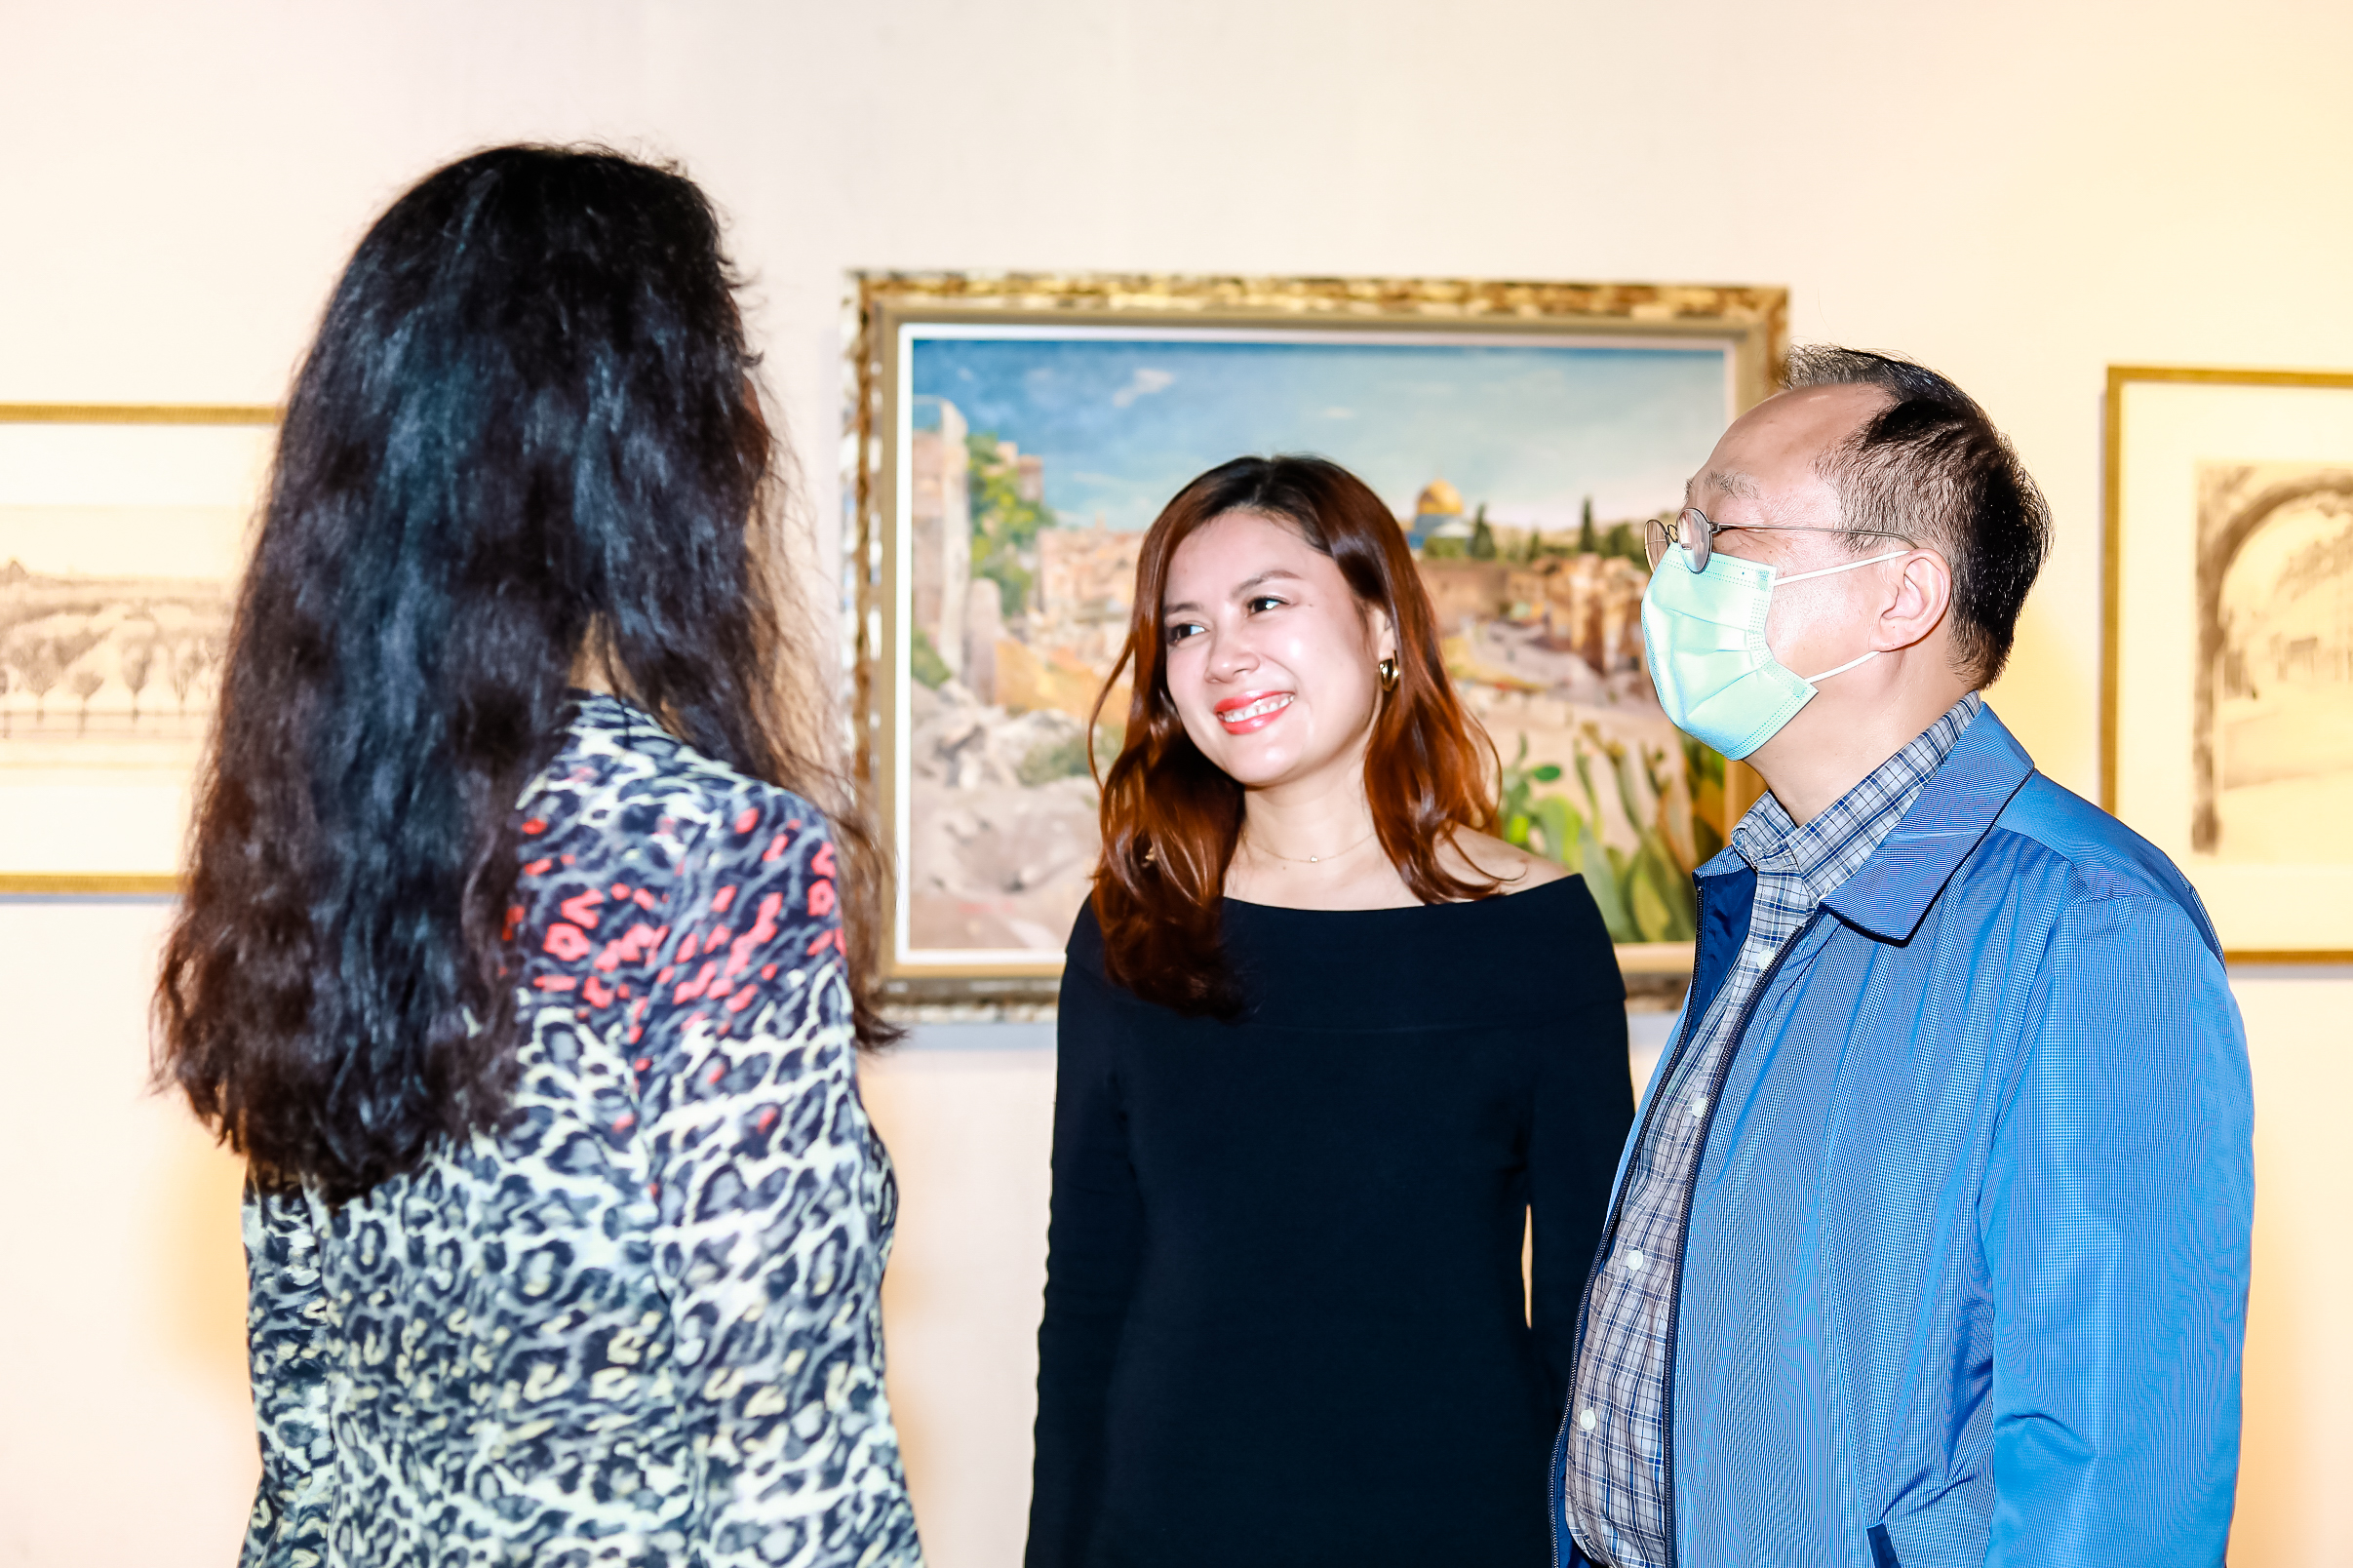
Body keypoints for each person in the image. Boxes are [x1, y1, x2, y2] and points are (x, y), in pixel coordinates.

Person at [155, 146, 922, 1568]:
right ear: (641, 448)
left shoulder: (333, 851)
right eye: (726, 372)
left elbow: (303, 1436)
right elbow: (792, 1460)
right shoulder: (706, 851)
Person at [1556, 347, 2255, 1568]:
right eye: (1679, 533)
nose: (1675, 573)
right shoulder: (1769, 881)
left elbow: (2118, 1466)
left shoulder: (2087, 922)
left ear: (1900, 596)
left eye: (1721, 533)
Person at [1025, 454, 1635, 1568]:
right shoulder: (1129, 928)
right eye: (1185, 628)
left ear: (1383, 625)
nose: (1224, 655)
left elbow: (1588, 1319)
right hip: (1160, 1533)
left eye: (1265, 603)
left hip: (1459, 1532)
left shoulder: (1533, 931)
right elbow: (1087, 1301)